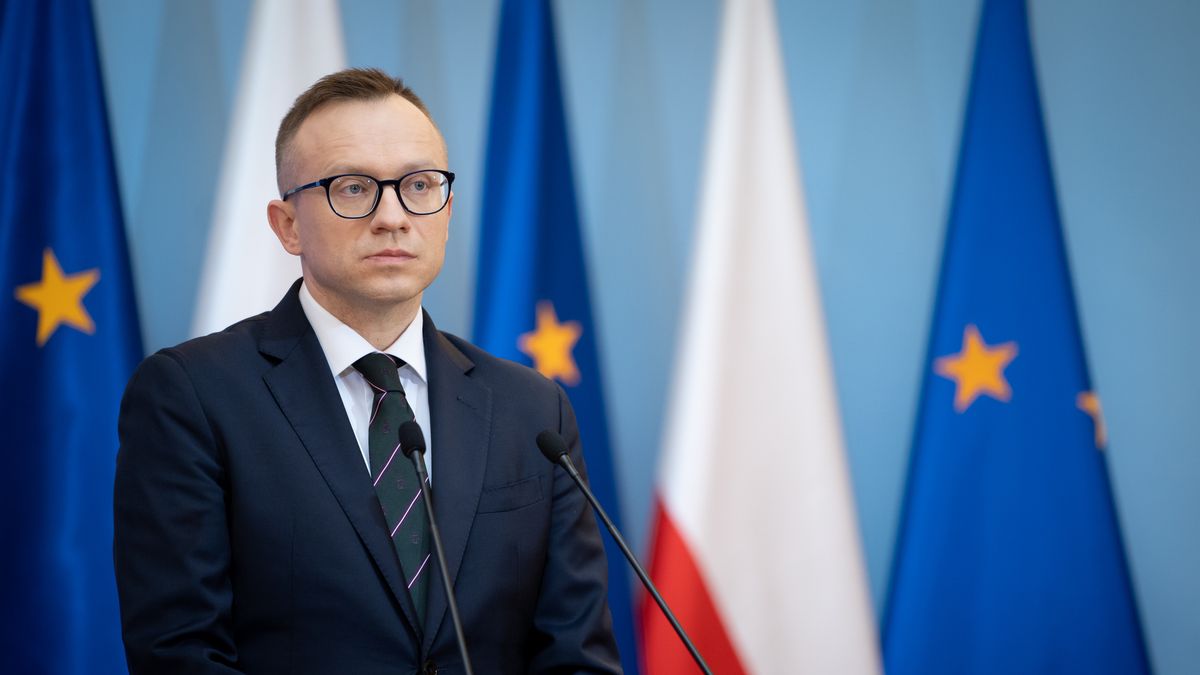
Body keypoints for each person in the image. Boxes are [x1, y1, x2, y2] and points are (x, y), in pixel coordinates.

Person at [113, 68, 621, 674]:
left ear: (447, 210)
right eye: (353, 188)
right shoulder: (192, 395)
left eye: (419, 185)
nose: (394, 217)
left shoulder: (532, 410)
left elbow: (576, 654)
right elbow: (181, 654)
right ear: (288, 225)